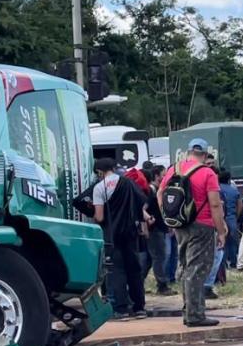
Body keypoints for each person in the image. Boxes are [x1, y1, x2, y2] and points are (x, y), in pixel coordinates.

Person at [158, 139, 227, 327]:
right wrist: (221, 231)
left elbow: (160, 193)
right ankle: (195, 315)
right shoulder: (207, 173)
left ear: (188, 152)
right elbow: (214, 203)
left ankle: (188, 310)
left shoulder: (174, 169)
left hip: (180, 225)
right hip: (202, 225)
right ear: (205, 155)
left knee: (187, 267)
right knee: (197, 270)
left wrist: (169, 219)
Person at [92, 157, 149, 321]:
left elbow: (100, 216)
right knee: (134, 270)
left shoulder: (99, 187)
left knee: (115, 271)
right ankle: (139, 308)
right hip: (130, 233)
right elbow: (142, 203)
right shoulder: (129, 183)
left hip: (111, 234)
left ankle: (121, 309)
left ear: (100, 172)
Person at [145, 165, 176, 296]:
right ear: (157, 176)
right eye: (163, 174)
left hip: (159, 228)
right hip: (155, 229)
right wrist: (148, 219)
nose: (165, 177)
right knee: (159, 257)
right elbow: (143, 207)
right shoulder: (152, 191)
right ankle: (162, 285)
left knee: (150, 259)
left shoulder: (158, 190)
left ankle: (138, 283)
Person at [218, 170, 243, 269]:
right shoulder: (234, 190)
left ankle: (223, 263)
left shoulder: (217, 189)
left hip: (220, 218)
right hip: (232, 218)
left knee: (221, 241)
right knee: (232, 241)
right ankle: (233, 262)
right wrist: (236, 216)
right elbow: (240, 205)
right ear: (229, 179)